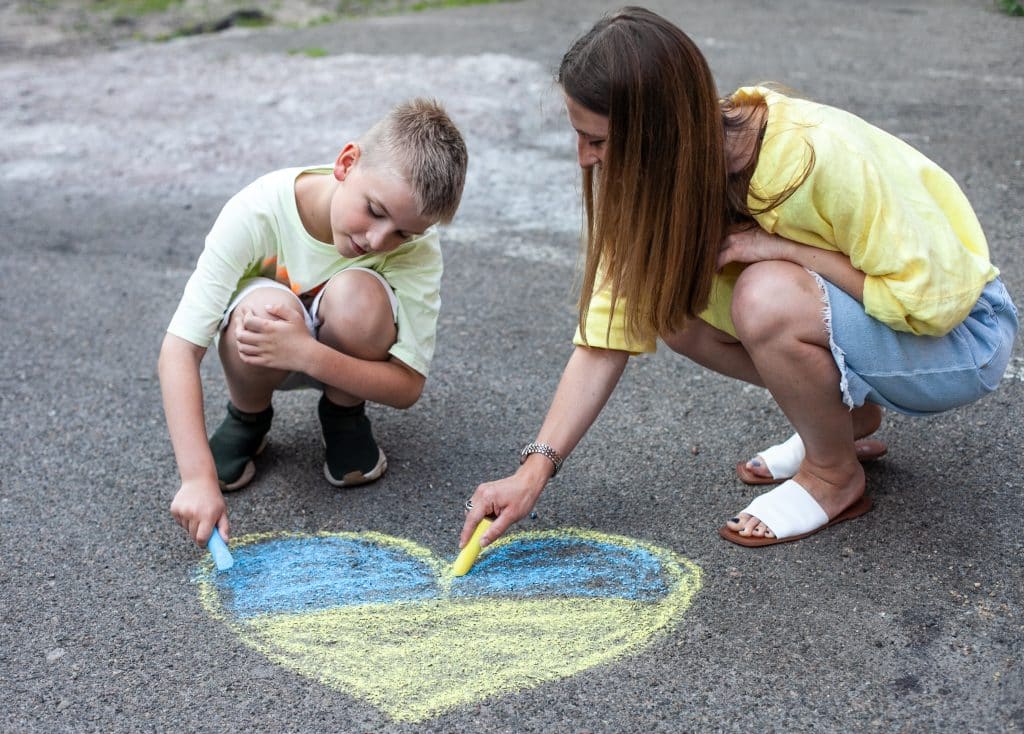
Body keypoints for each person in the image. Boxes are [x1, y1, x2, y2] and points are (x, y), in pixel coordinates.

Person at [460, 7, 1018, 549]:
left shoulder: (816, 152)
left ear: (660, 130)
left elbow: (930, 305)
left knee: (764, 293)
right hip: (884, 326)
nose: (585, 158)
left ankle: (833, 475)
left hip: (961, 337)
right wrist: (532, 472)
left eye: (599, 141)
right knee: (668, 305)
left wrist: (780, 247)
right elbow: (606, 335)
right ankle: (847, 419)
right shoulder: (663, 179)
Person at [160, 98, 467, 546]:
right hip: (262, 353)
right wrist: (196, 478)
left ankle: (344, 416)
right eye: (376, 211)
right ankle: (248, 417)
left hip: (330, 351)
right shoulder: (258, 209)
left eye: (403, 232)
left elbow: (407, 386)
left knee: (358, 300)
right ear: (346, 164)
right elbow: (178, 350)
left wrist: (305, 352)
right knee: (261, 310)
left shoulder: (415, 246)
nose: (379, 240)